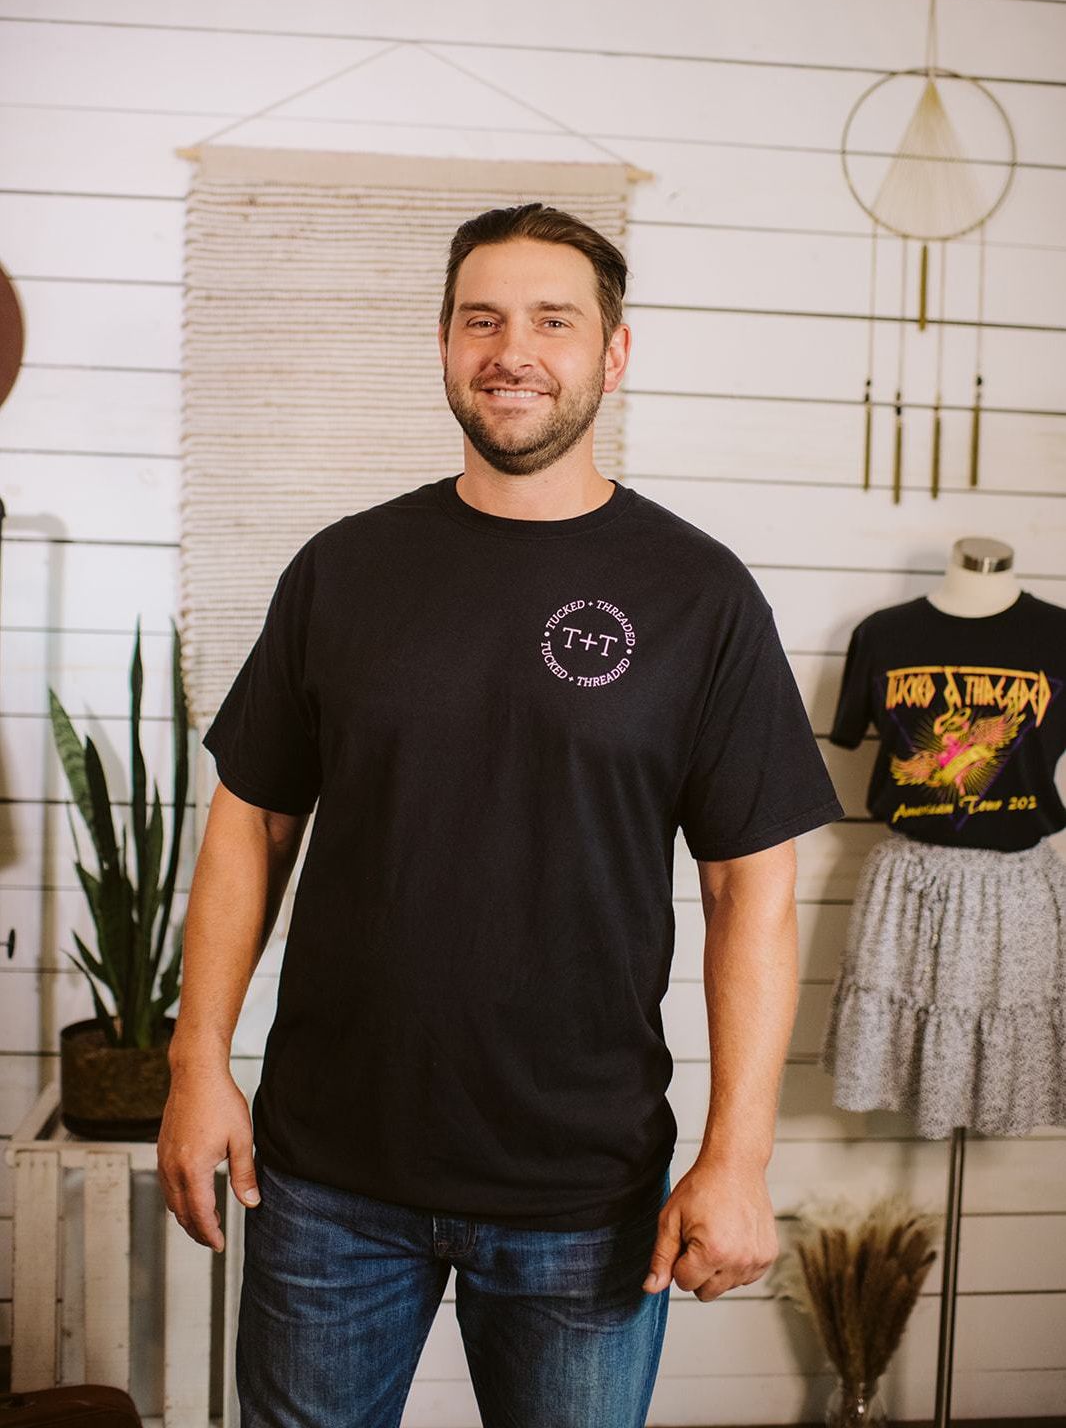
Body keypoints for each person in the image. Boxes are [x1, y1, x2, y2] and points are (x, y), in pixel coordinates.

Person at [157, 202, 844, 1428]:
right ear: (442, 343)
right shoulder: (343, 568)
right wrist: (195, 1060)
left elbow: (750, 887)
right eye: (481, 319)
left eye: (550, 321)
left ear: (612, 353)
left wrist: (737, 1155)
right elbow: (250, 822)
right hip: (326, 1179)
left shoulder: (699, 593)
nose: (510, 350)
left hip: (583, 1195)